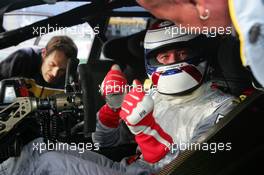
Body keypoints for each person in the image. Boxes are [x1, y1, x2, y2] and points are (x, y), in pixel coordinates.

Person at [0, 20, 238, 175]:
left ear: (198, 54)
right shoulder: (153, 93)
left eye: (182, 53)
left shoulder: (220, 109)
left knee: (46, 164)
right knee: (38, 148)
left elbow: (186, 169)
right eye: (164, 56)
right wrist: (111, 111)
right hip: (129, 167)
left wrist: (148, 132)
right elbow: (105, 143)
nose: (174, 61)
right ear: (152, 61)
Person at [137, 0, 264, 89]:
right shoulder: (252, 28)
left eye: (178, 20)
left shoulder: (257, 38)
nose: (180, 28)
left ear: (198, 4)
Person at [0, 35, 78, 89]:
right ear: (44, 53)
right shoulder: (22, 59)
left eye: (62, 70)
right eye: (52, 64)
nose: (55, 74)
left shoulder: (69, 75)